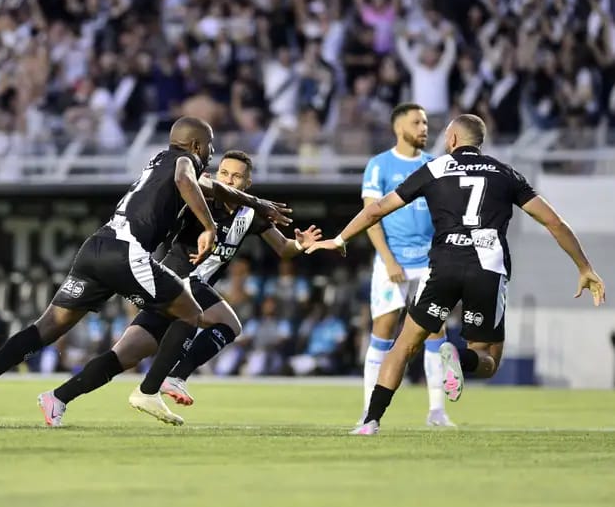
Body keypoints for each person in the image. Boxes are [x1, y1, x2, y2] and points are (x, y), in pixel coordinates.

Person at [0, 118, 292, 427]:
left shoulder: (160, 159)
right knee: (190, 311)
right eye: (211, 148)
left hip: (97, 247)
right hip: (126, 252)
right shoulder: (183, 162)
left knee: (48, 328)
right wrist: (208, 227)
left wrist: (255, 203)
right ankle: (150, 390)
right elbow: (187, 178)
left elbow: (214, 188)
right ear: (198, 147)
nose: (212, 156)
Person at [307, 114, 606, 435]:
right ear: (480, 142)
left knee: (403, 346)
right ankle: (460, 357)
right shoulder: (506, 173)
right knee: (487, 359)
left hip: (443, 266)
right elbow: (554, 222)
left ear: (451, 140)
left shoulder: (435, 168)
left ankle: (370, 422)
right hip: (488, 268)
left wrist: (339, 239)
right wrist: (584, 267)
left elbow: (377, 208)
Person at [36, 150, 322, 426]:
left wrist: (301, 244)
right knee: (229, 323)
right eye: (224, 172)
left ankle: (57, 398)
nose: (228, 180)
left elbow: (283, 248)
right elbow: (189, 185)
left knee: (124, 356)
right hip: (172, 282)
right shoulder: (200, 201)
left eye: (236, 177)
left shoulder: (250, 214)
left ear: (247, 184)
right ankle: (167, 380)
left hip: (180, 292)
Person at [359, 102, 454, 429]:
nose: (424, 128)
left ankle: (437, 411)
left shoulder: (436, 165)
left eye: (426, 122)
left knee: (434, 332)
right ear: (399, 128)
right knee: (383, 334)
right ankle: (368, 412)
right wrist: (388, 260)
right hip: (392, 263)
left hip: (429, 263)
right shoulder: (379, 165)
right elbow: (371, 217)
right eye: (417, 122)